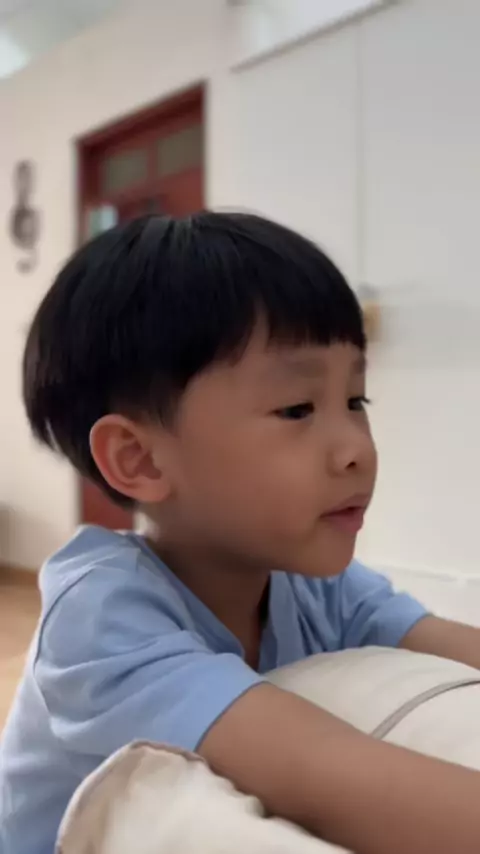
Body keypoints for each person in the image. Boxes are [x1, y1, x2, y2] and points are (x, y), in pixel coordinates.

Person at [1, 212, 480, 854]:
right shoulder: (97, 618)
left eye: (356, 401)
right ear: (140, 460)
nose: (357, 450)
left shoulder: (316, 587)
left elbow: (451, 644)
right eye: (297, 409)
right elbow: (329, 777)